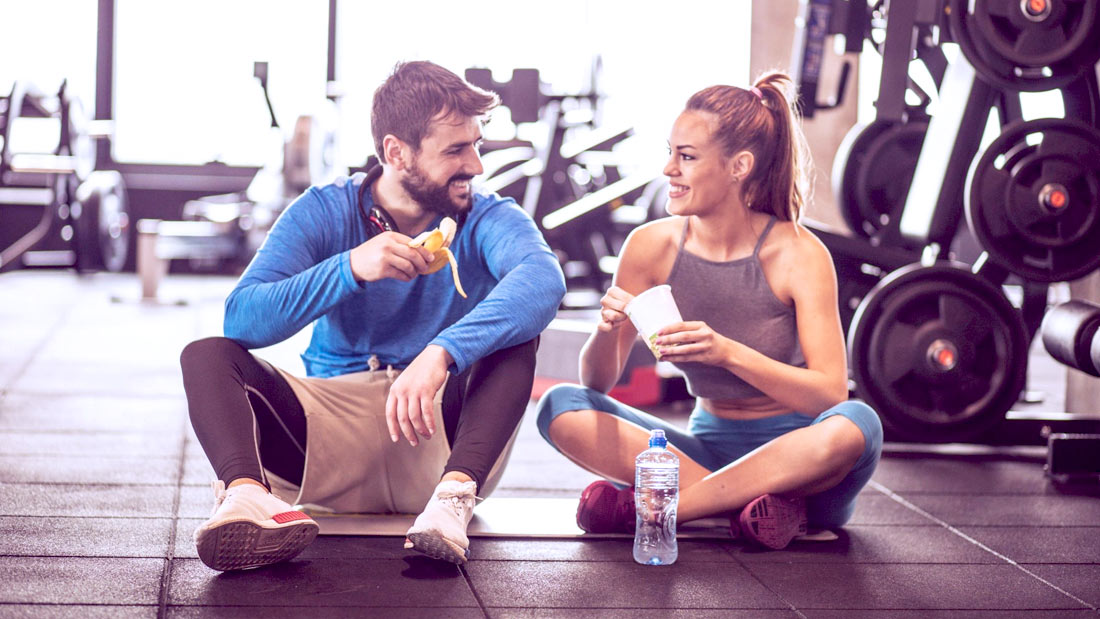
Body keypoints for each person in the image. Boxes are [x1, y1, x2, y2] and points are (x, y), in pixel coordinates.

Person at [180, 60, 566, 570]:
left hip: (442, 443)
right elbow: (242, 320)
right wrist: (350, 268)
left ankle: (452, 504)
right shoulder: (325, 210)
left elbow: (544, 278)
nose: (474, 164)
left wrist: (442, 352)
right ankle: (248, 498)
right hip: (325, 438)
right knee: (208, 355)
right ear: (395, 152)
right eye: (455, 149)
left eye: (476, 144)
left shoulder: (487, 215)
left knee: (517, 333)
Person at [535, 73, 883, 550]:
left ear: (739, 166)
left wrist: (727, 353)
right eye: (670, 152)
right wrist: (605, 328)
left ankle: (667, 510)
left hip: (800, 464)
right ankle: (737, 509)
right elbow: (597, 385)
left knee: (857, 425)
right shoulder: (648, 247)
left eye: (687, 157)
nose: (668, 170)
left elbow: (828, 394)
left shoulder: (799, 254)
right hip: (704, 452)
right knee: (561, 406)